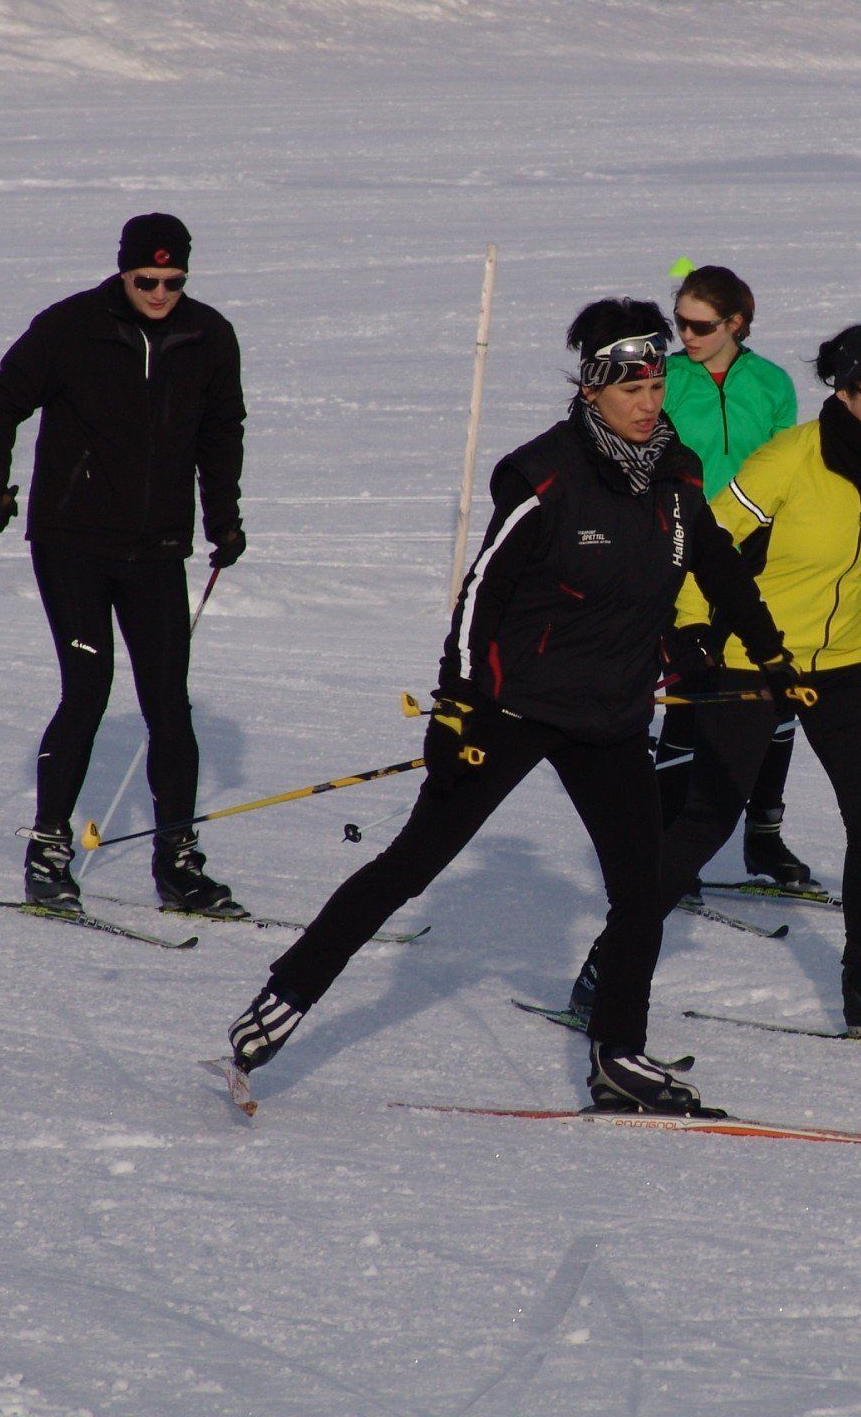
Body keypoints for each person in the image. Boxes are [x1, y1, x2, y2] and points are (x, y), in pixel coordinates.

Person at [225, 299, 796, 1116]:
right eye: (628, 385)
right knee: (411, 866)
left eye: (655, 383)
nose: (646, 400)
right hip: (512, 706)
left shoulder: (675, 474)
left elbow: (718, 567)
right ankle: (280, 1003)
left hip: (610, 716)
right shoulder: (546, 475)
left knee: (642, 892)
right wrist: (455, 706)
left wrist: (769, 652)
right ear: (592, 388)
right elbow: (478, 598)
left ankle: (618, 1056)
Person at [577, 323, 861, 1046]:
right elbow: (710, 541)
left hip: (845, 661)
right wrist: (695, 628)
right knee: (706, 821)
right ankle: (610, 962)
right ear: (845, 392)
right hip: (754, 657)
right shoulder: (789, 459)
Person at [0, 213, 246, 916]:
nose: (160, 292)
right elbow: (2, 401)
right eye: (146, 280)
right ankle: (49, 850)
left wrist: (224, 518)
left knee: (167, 705)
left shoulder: (207, 335)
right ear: (123, 270)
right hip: (73, 541)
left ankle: (178, 863)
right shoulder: (72, 326)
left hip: (157, 547)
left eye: (173, 281)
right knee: (88, 688)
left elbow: (222, 431)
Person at [655, 264, 810, 888]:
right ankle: (669, 846)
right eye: (680, 324)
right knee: (690, 694)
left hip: (755, 561)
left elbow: (790, 469)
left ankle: (764, 837)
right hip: (682, 552)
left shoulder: (771, 382)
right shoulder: (665, 380)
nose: (686, 336)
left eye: (700, 325)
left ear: (736, 323)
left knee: (774, 693)